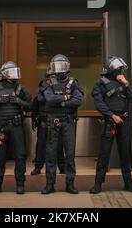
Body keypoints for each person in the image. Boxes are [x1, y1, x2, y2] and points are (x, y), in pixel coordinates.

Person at [90, 56, 132, 194]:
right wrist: (112, 115)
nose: (120, 71)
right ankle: (97, 184)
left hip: (123, 121)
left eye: (121, 69)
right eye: (118, 69)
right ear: (111, 69)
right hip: (110, 121)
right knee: (104, 154)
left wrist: (126, 83)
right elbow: (99, 103)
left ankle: (128, 183)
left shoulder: (123, 82)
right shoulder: (100, 83)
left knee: (125, 153)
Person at [38, 54, 83, 195]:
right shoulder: (47, 82)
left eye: (62, 65)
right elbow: (50, 99)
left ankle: (70, 184)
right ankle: (50, 185)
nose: (60, 69)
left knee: (70, 154)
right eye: (57, 66)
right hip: (52, 122)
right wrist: (66, 97)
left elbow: (78, 101)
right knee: (50, 155)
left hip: (68, 122)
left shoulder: (74, 82)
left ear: (67, 67)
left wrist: (61, 102)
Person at [0, 61, 31, 195]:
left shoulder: (21, 89)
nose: (14, 75)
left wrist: (19, 101)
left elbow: (31, 106)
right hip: (1, 127)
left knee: (20, 155)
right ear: (4, 74)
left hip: (16, 126)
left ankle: (20, 184)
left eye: (15, 72)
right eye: (11, 72)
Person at [31, 67, 66, 176]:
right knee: (41, 145)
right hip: (44, 120)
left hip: (57, 119)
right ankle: (38, 167)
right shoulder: (41, 87)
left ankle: (62, 167)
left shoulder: (60, 87)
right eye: (51, 76)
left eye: (54, 76)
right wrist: (34, 119)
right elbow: (35, 105)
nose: (53, 78)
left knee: (59, 144)